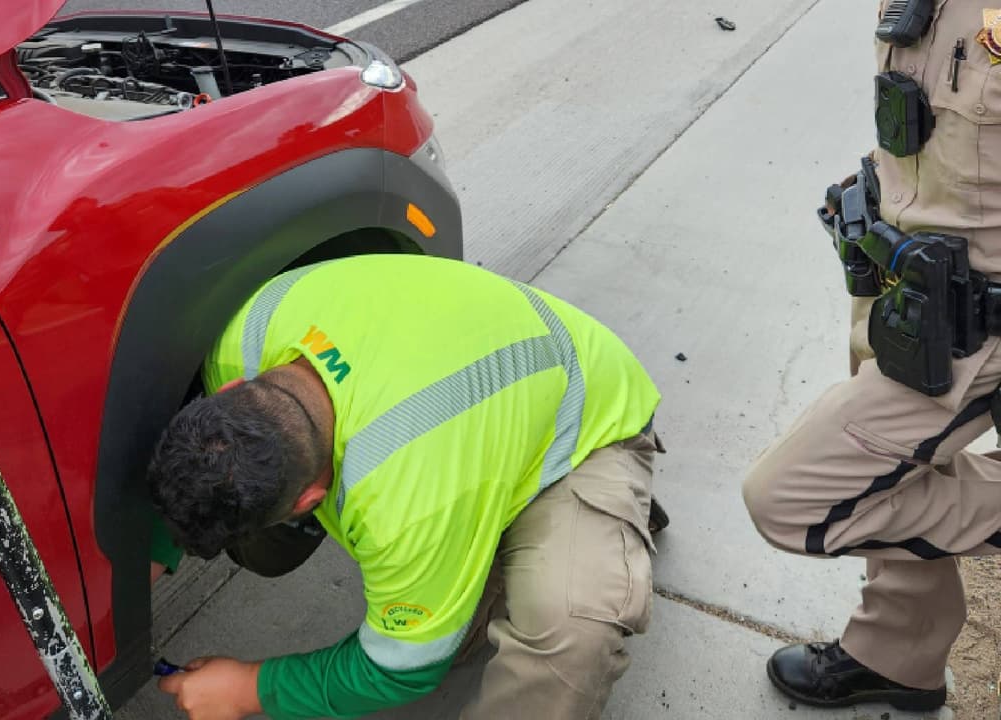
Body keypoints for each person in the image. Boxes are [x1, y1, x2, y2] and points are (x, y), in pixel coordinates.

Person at [145, 253, 664, 720]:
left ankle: (578, 540)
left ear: (310, 501)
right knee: (435, 606)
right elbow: (210, 457)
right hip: (484, 391)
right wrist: (156, 546)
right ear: (232, 387)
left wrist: (251, 689)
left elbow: (398, 669)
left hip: (580, 428)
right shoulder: (244, 334)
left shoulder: (404, 504)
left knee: (565, 633)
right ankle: (493, 568)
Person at [744, 1, 1001, 712]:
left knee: (791, 497)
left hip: (977, 334)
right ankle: (897, 655)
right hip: (905, 293)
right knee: (903, 471)